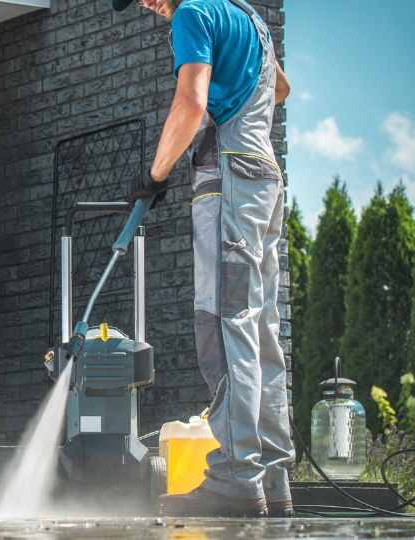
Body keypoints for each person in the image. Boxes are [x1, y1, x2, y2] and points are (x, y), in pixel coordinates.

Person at [114, 0, 294, 517]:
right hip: (264, 177)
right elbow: (279, 89)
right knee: (259, 329)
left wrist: (155, 173)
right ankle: (273, 476)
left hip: (231, 177)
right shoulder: (250, 18)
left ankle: (237, 476)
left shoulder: (194, 13)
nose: (147, 4)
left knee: (222, 321)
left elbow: (190, 104)